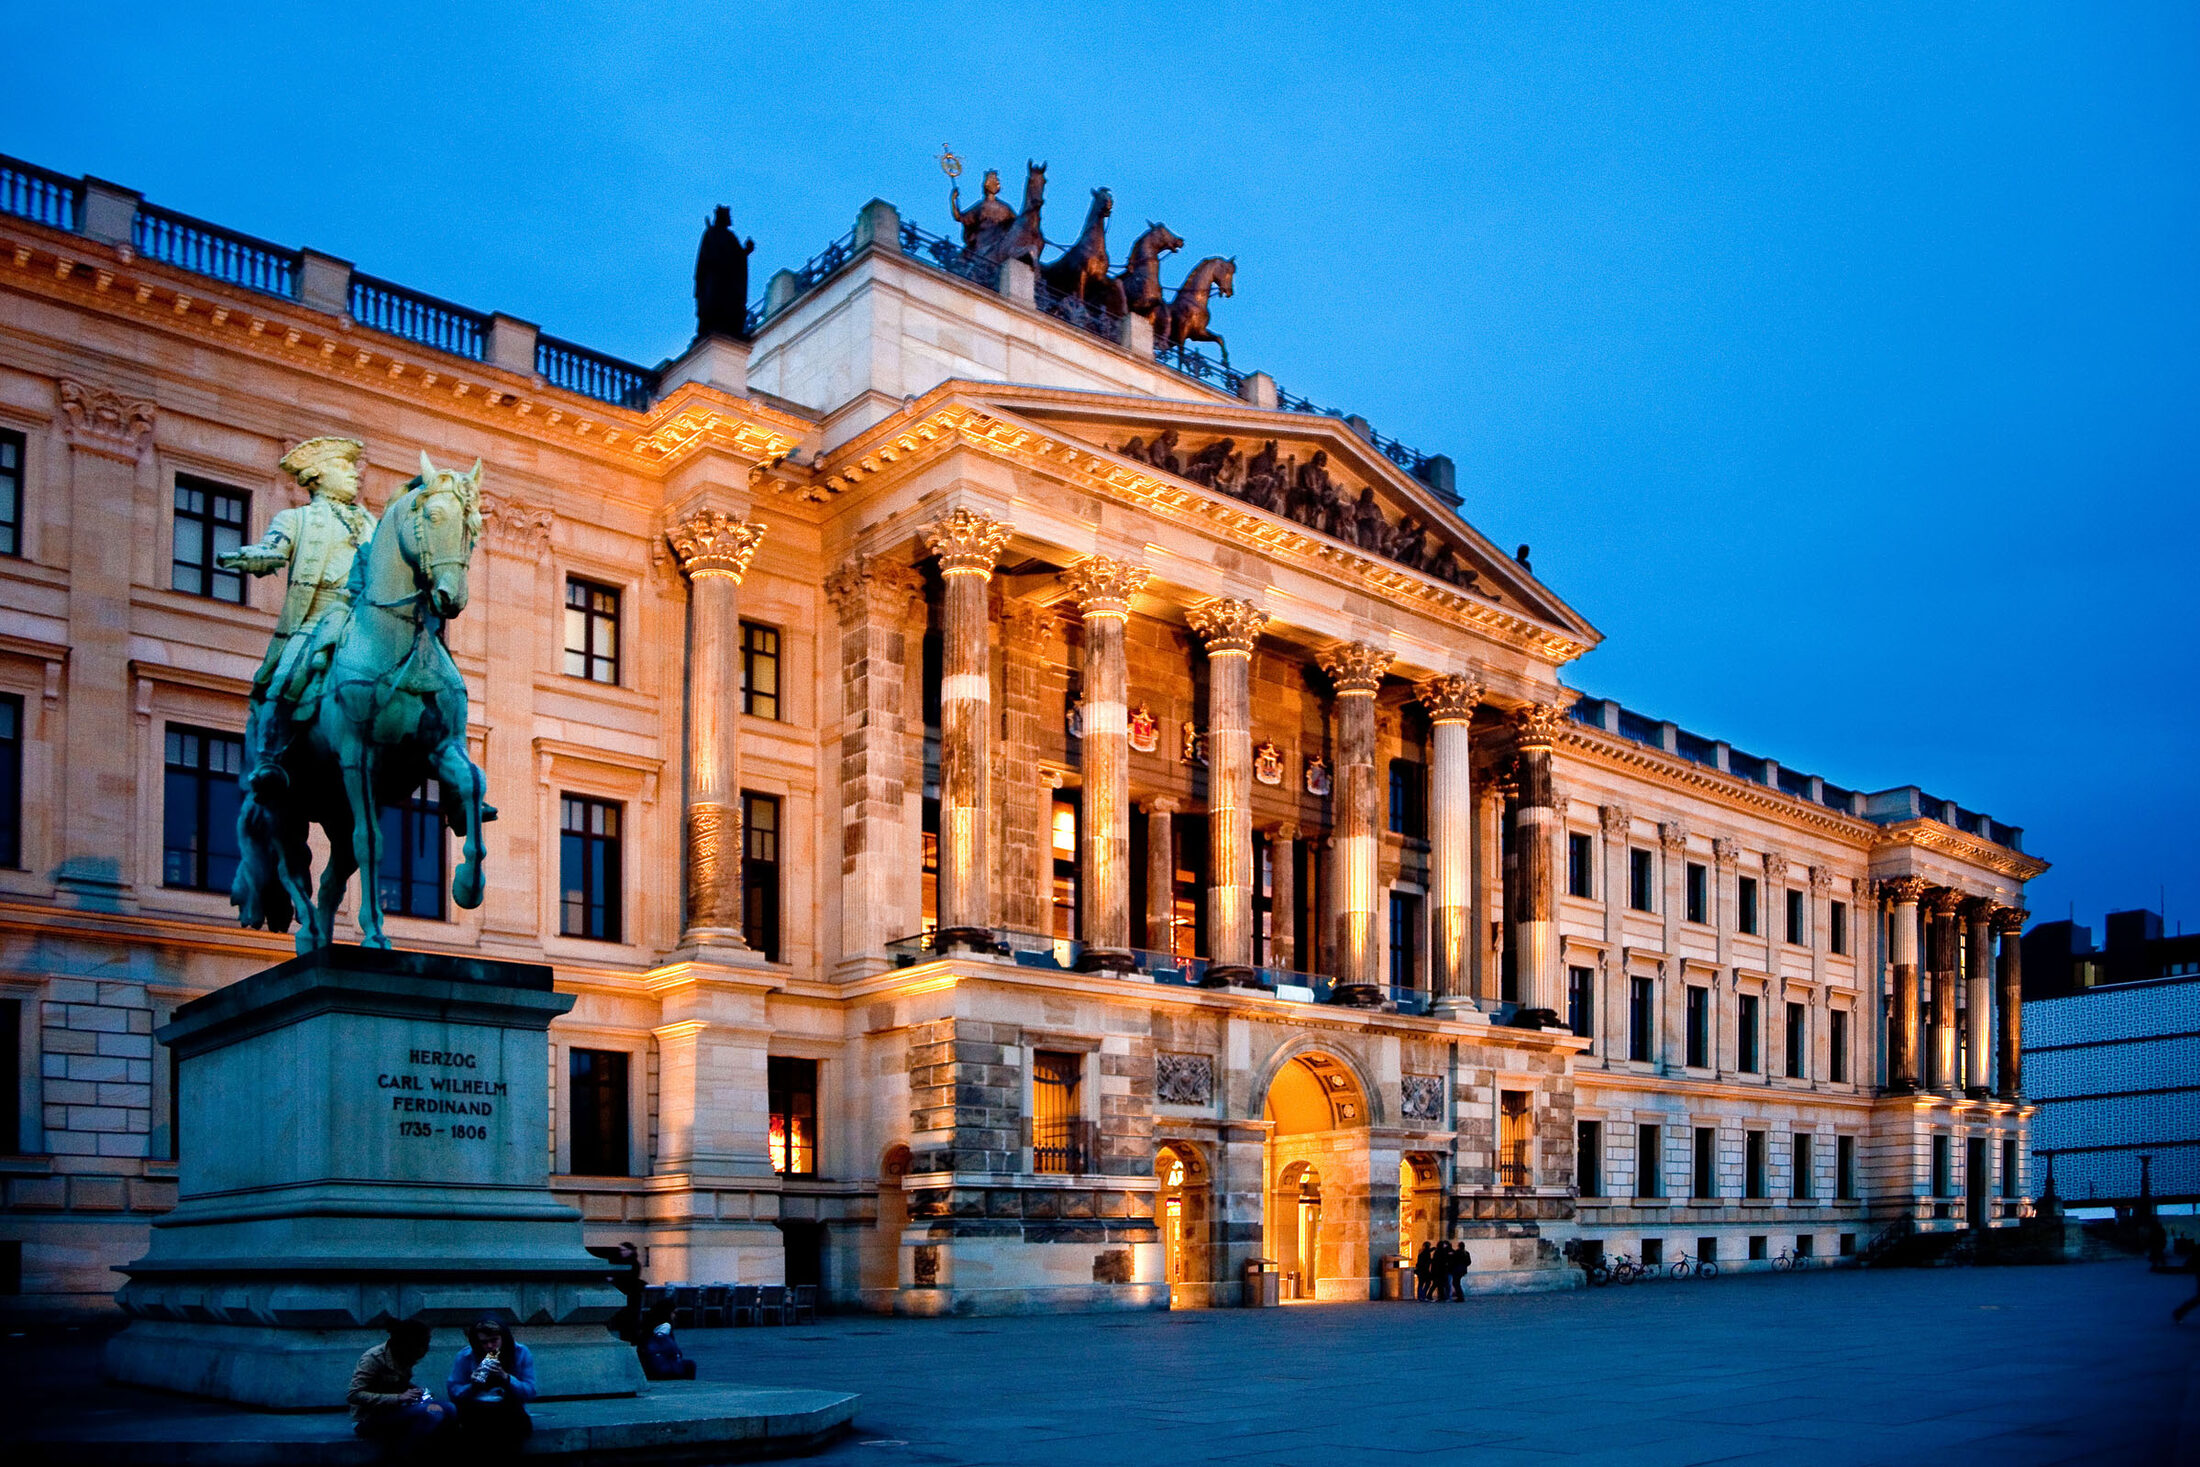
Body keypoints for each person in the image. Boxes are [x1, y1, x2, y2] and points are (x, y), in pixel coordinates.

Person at [217, 435, 376, 792]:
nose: (355, 476)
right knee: (287, 675)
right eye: (344, 467)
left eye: (354, 469)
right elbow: (273, 551)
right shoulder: (296, 518)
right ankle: (271, 756)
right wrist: (245, 556)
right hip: (317, 618)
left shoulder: (370, 523)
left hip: (365, 622)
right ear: (318, 476)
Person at [348, 1318, 452, 1453]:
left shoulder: (405, 1358)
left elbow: (397, 1383)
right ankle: (405, 1455)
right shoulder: (373, 1359)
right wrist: (398, 1397)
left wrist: (414, 1390)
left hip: (396, 1410)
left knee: (450, 1409)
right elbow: (354, 1394)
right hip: (368, 1418)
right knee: (432, 1413)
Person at [447, 1315, 537, 1448]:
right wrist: (473, 1386)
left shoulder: (521, 1353)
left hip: (510, 1411)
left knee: (507, 1426)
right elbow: (454, 1391)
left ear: (503, 1338)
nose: (489, 1346)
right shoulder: (465, 1356)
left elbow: (530, 1392)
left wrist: (506, 1378)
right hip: (476, 1411)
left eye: (494, 1340)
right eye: (484, 1342)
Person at [637, 1302, 698, 1381]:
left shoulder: (647, 1327)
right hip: (663, 1367)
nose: (674, 1316)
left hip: (648, 1366)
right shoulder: (665, 1326)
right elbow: (671, 1349)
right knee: (690, 1365)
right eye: (673, 1313)